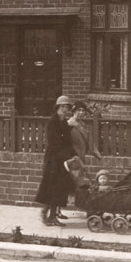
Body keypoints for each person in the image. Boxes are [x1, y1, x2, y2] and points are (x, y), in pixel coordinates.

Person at [34, 95, 77, 226]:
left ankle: (53, 216)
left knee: (60, 189)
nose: (65, 109)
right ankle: (44, 213)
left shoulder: (64, 122)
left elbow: (68, 141)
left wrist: (73, 154)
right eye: (63, 107)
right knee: (51, 187)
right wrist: (66, 154)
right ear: (57, 107)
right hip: (53, 160)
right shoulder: (52, 123)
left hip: (62, 160)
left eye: (67, 107)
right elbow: (54, 143)